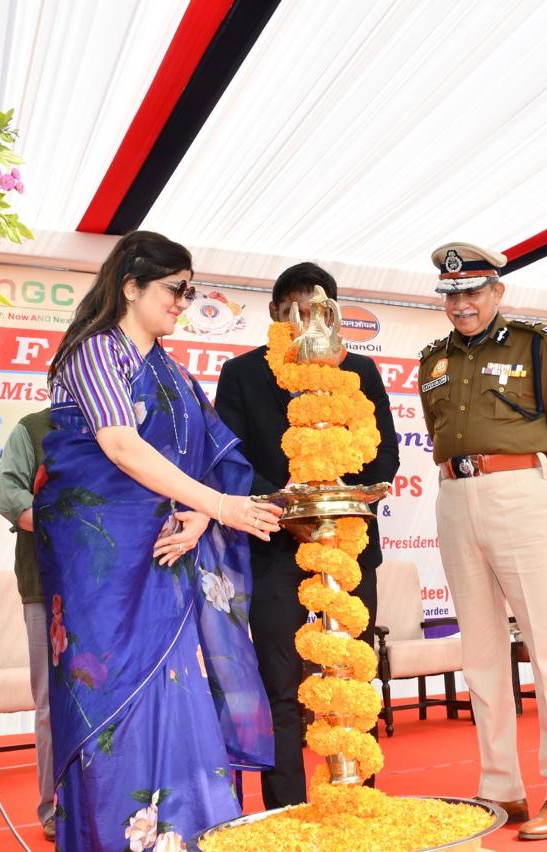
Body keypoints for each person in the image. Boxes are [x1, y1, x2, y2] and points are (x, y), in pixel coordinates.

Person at [34, 231, 282, 849]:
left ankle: (193, 835)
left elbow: (208, 456)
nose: (183, 303)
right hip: (104, 566)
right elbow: (121, 447)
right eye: (175, 289)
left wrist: (200, 514)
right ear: (130, 286)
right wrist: (220, 506)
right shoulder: (96, 352)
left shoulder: (171, 372)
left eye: (189, 292)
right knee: (113, 696)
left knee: (182, 693)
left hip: (169, 559)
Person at [417, 242, 547, 841]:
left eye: (472, 292)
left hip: (520, 490)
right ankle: (501, 786)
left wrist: (536, 489)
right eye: (451, 295)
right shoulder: (432, 358)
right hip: (454, 496)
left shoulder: (533, 343)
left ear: (497, 291)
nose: (461, 304)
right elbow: (438, 431)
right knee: (481, 652)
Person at [214, 261, 400, 809]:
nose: (304, 322)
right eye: (291, 311)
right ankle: (287, 811)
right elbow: (230, 460)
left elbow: (384, 455)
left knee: (350, 681)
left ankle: (357, 805)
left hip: (347, 549)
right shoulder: (243, 373)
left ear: (333, 316)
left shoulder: (359, 371)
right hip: (275, 548)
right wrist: (284, 509)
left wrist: (337, 504)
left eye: (315, 311)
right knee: (282, 688)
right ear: (274, 314)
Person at [0, 406, 55, 840]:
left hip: (108, 591)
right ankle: (54, 808)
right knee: (50, 701)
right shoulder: (31, 430)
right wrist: (63, 522)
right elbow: (10, 496)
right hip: (44, 585)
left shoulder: (118, 428)